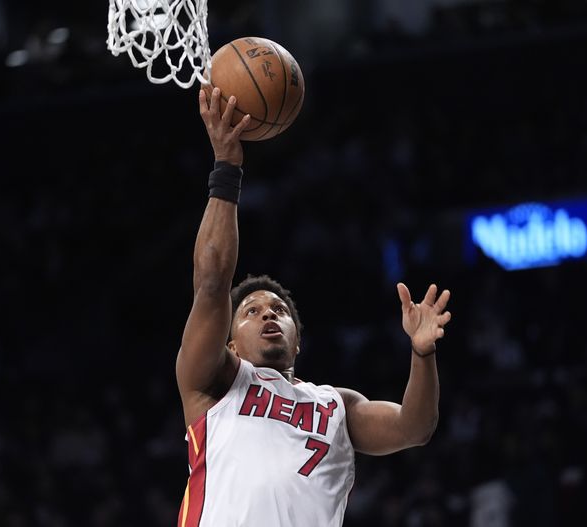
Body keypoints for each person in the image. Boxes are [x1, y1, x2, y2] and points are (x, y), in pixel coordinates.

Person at [175, 87, 452, 526]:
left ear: (297, 341)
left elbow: (415, 428)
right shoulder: (215, 384)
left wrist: (422, 353)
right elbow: (211, 283)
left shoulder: (336, 405)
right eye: (252, 311)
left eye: (279, 311)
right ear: (229, 342)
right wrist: (227, 169)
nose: (268, 314)